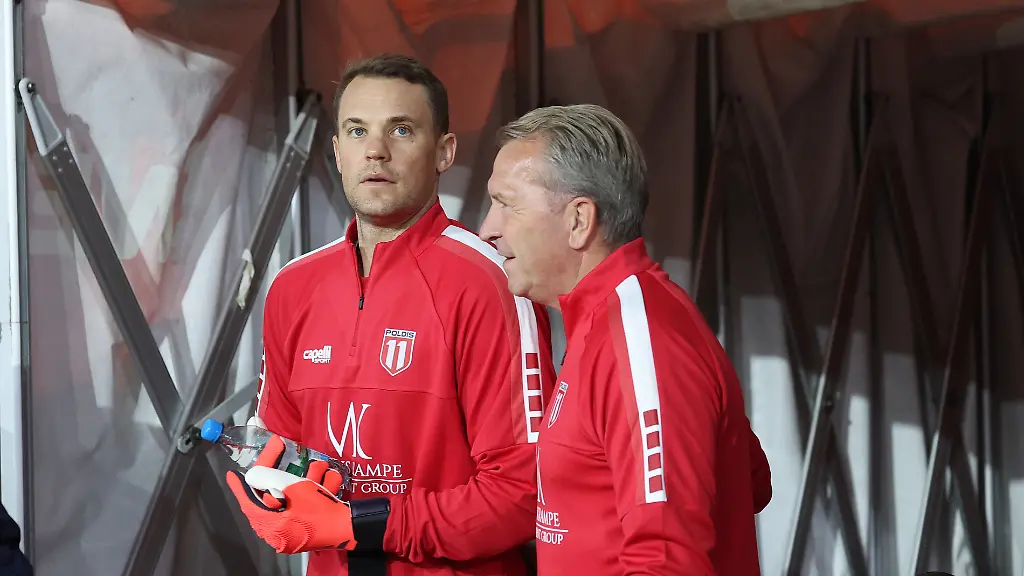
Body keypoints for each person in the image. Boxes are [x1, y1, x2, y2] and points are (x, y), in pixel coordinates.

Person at [224, 53, 557, 576]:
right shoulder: (293, 286)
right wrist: (268, 490)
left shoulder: (492, 282)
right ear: (337, 151)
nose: (375, 150)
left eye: (401, 130)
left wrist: (364, 523)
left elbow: (523, 491)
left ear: (444, 151)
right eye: (357, 131)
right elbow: (282, 456)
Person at [478, 104, 772, 575]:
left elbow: (667, 562)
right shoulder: (612, 322)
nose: (487, 230)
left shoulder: (640, 337)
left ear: (579, 220)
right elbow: (747, 477)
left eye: (506, 204)